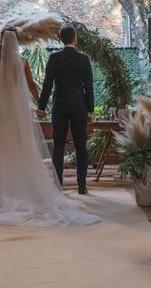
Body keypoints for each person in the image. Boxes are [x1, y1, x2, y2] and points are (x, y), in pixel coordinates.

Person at [0, 29, 99, 225]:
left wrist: (2, 93)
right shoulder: (24, 62)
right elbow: (34, 85)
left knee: (10, 143)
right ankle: (81, 185)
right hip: (66, 107)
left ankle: (15, 186)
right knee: (73, 144)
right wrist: (38, 104)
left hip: (8, 106)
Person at [37, 25, 94, 195]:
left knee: (59, 146)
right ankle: (82, 185)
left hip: (60, 107)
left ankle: (57, 185)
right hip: (79, 107)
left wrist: (41, 106)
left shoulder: (55, 58)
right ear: (75, 38)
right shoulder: (84, 59)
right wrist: (90, 110)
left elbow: (47, 84)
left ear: (61, 39)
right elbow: (89, 88)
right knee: (81, 145)